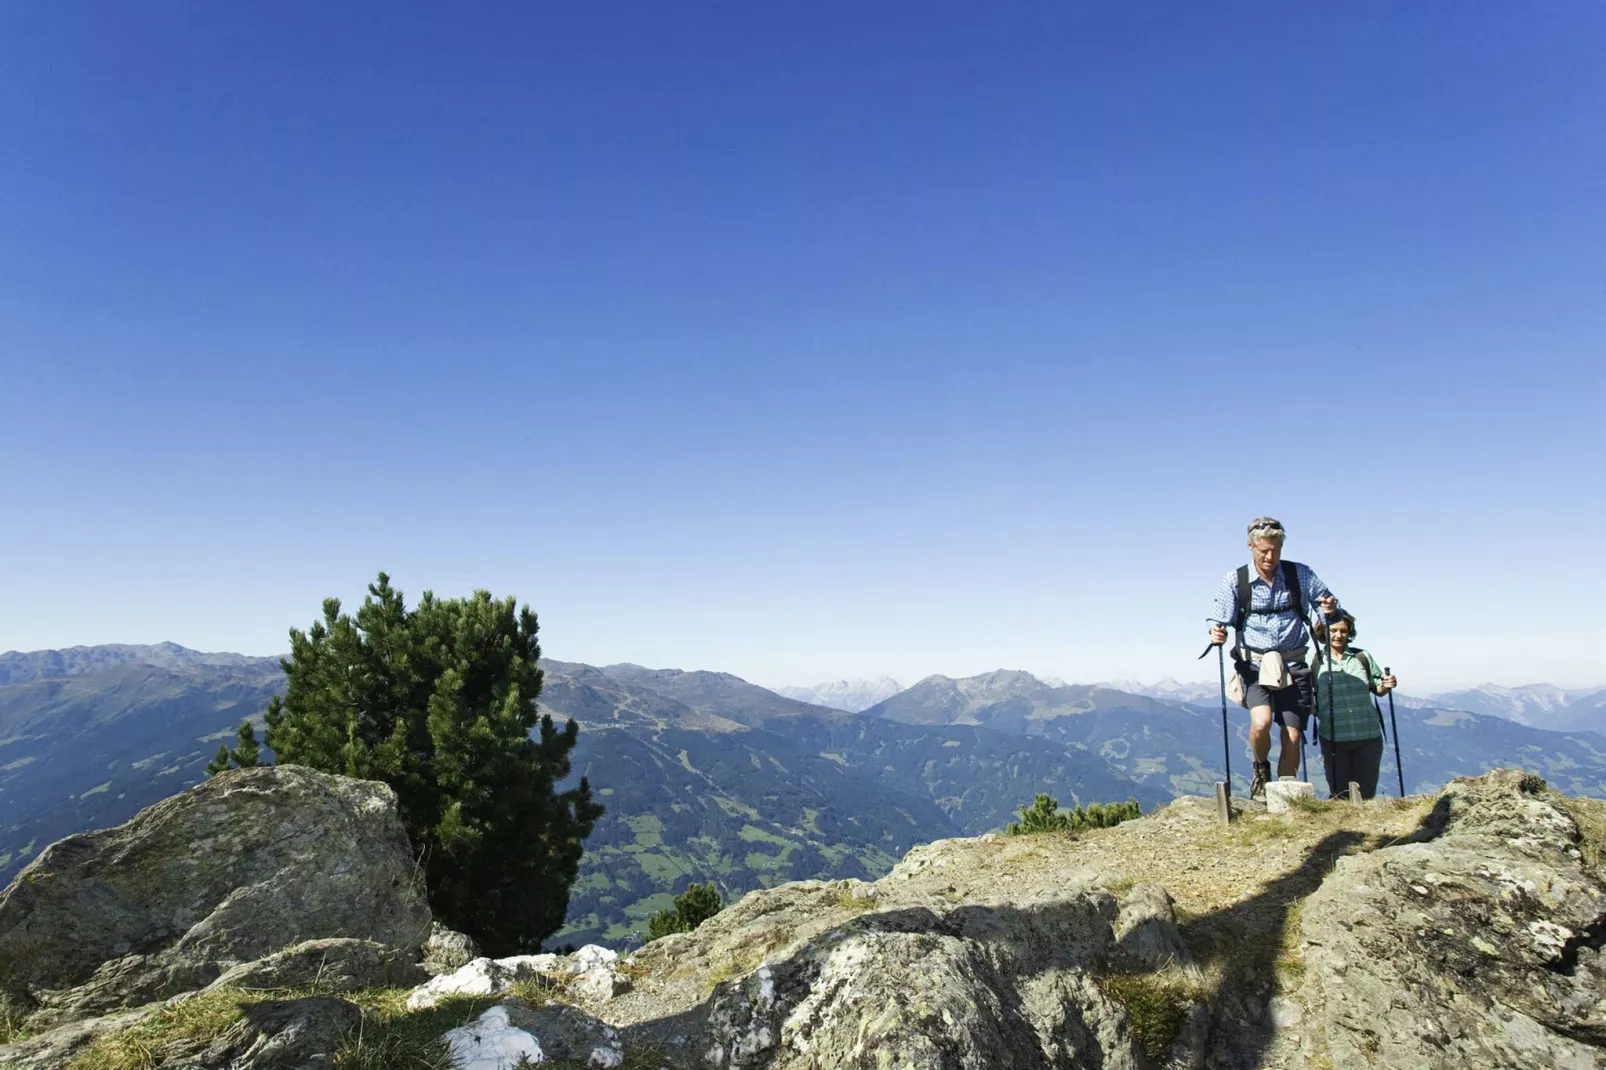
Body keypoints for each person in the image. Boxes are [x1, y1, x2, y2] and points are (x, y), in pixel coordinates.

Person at [1207, 517, 1341, 800]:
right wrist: (1216, 631)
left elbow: (1327, 608)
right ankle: (1260, 770)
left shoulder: (1300, 575)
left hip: (1294, 665)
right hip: (1254, 666)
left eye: (1276, 550)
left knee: (1293, 734)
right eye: (1264, 550)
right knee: (1261, 723)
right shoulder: (1235, 580)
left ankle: (1285, 792)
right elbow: (1220, 618)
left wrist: (1330, 610)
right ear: (1250, 546)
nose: (1270, 557)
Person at [1313, 612, 1398, 799]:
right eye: (1333, 630)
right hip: (1333, 740)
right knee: (1339, 796)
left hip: (1367, 737)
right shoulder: (1316, 662)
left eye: (1343, 630)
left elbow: (1377, 687)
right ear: (1323, 632)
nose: (1338, 635)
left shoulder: (1362, 657)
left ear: (1349, 632)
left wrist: (1386, 683)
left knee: (1366, 797)